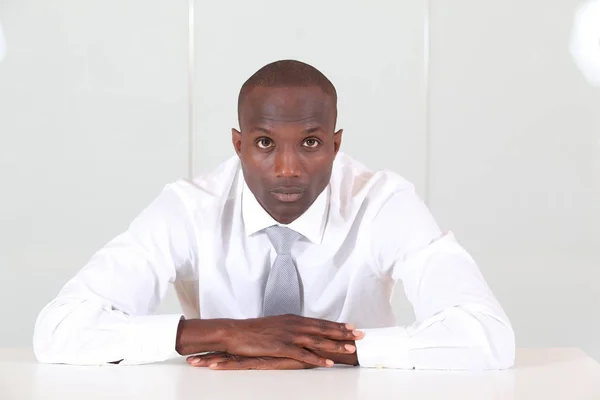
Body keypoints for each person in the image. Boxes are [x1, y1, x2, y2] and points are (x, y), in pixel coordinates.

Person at [33, 59, 515, 370]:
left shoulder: (382, 202)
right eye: (264, 143)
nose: (287, 168)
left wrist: (320, 352)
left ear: (335, 144)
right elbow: (59, 330)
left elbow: (487, 335)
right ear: (239, 145)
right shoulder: (189, 207)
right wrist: (230, 333)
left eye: (310, 143)